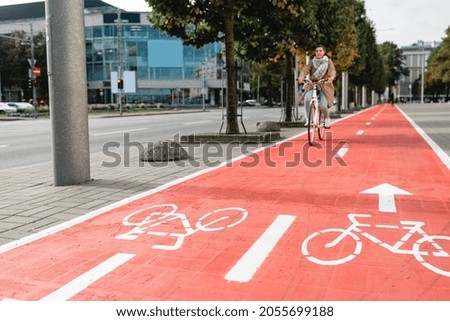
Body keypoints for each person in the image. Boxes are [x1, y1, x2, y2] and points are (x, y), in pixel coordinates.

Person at [298, 45, 336, 128]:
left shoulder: (328, 61)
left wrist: (331, 77)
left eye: (320, 51)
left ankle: (326, 118)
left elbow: (332, 70)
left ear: (324, 52)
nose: (318, 52)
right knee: (307, 99)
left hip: (325, 86)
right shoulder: (312, 61)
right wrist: (301, 77)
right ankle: (308, 119)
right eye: (317, 51)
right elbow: (305, 70)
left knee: (322, 105)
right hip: (313, 84)